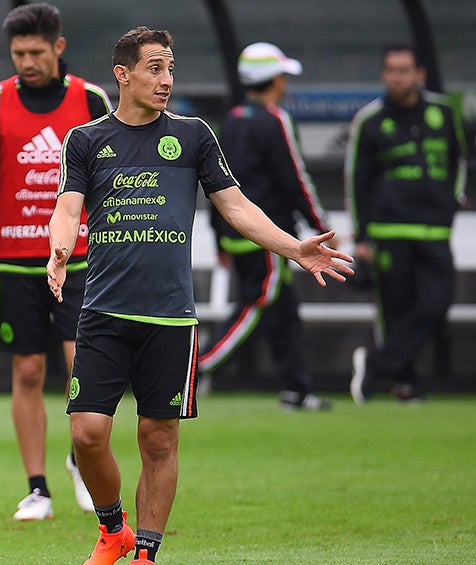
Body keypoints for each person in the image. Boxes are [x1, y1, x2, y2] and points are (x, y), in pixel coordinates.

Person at [46, 27, 353, 565]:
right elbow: (69, 207)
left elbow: (236, 206)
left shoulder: (193, 136)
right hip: (102, 312)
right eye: (154, 69)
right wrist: (58, 249)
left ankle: (144, 552)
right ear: (123, 75)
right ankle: (112, 527)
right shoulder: (87, 139)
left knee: (158, 439)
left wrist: (293, 248)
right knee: (88, 434)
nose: (166, 80)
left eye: (170, 69)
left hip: (169, 317)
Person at [0, 2, 111, 520]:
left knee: (81, 370)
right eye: (18, 53)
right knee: (28, 371)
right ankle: (38, 488)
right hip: (17, 263)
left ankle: (81, 462)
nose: (26, 62)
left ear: (58, 47)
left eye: (35, 52)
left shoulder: (91, 99)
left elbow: (113, 178)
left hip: (82, 260)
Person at [198, 42, 334, 411]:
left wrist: (219, 239)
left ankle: (297, 390)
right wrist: (322, 227)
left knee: (284, 310)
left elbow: (214, 185)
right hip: (269, 236)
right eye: (282, 76)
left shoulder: (231, 120)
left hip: (235, 233)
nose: (284, 84)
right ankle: (195, 367)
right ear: (273, 80)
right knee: (257, 303)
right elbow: (296, 180)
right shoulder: (275, 120)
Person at [346, 45, 468, 404]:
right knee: (396, 309)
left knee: (436, 304)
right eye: (391, 70)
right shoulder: (369, 120)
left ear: (420, 74)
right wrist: (362, 235)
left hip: (434, 230)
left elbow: (458, 160)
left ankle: (376, 364)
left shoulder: (444, 112)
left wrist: (451, 203)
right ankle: (404, 382)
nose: (397, 76)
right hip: (389, 232)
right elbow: (357, 180)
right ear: (384, 75)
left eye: (404, 70)